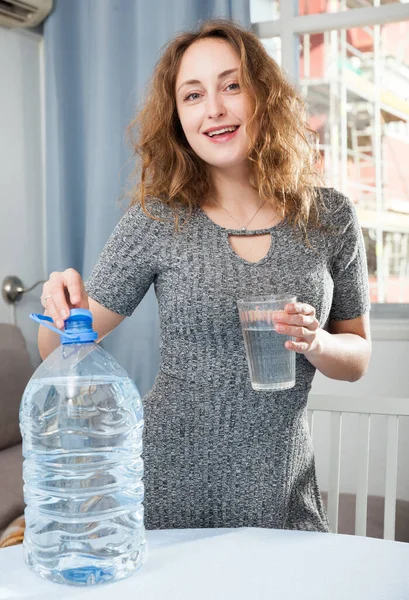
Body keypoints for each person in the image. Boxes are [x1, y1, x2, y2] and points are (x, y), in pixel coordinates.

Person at [38, 19, 371, 532]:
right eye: (192, 95)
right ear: (178, 118)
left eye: (231, 85)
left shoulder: (330, 218)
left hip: (281, 488)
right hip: (167, 485)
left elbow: (357, 359)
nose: (213, 108)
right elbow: (54, 346)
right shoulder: (156, 222)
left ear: (264, 96)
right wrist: (62, 300)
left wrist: (316, 342)